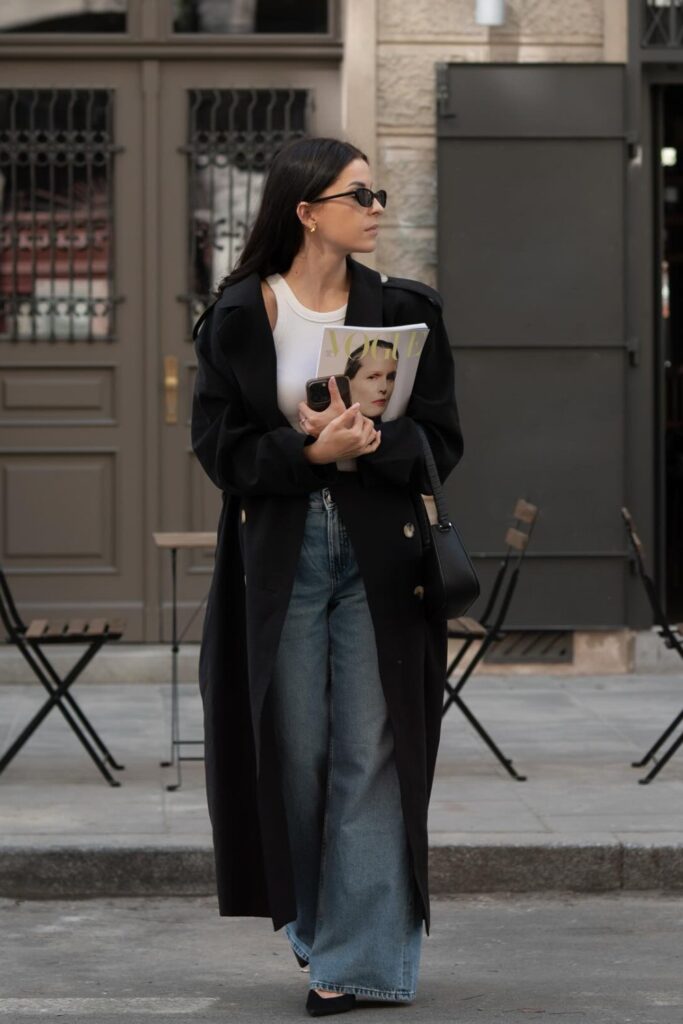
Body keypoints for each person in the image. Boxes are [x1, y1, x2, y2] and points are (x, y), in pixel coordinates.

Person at [191, 137, 463, 1017]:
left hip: (380, 551)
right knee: (296, 749)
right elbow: (218, 450)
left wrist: (375, 445)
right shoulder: (241, 314)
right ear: (307, 211)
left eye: (377, 193)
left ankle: (361, 961)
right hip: (283, 555)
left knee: (371, 752)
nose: (378, 206)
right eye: (361, 194)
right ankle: (323, 926)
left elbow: (442, 439)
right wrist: (311, 449)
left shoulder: (405, 309)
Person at [343, 339, 398, 418]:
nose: (384, 388)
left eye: (390, 378)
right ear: (348, 382)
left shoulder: (409, 427)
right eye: (372, 377)